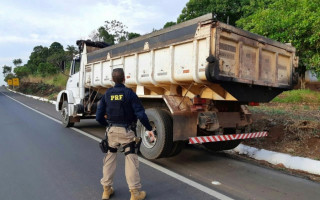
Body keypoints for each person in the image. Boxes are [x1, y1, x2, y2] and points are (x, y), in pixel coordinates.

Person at [96, 68, 155, 200]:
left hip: (111, 131)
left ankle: (106, 190)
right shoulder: (129, 94)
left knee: (109, 159)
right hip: (126, 132)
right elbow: (140, 114)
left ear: (112, 79)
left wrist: (107, 125)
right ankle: (134, 193)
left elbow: (98, 116)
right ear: (124, 79)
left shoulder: (107, 94)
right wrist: (149, 128)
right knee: (131, 160)